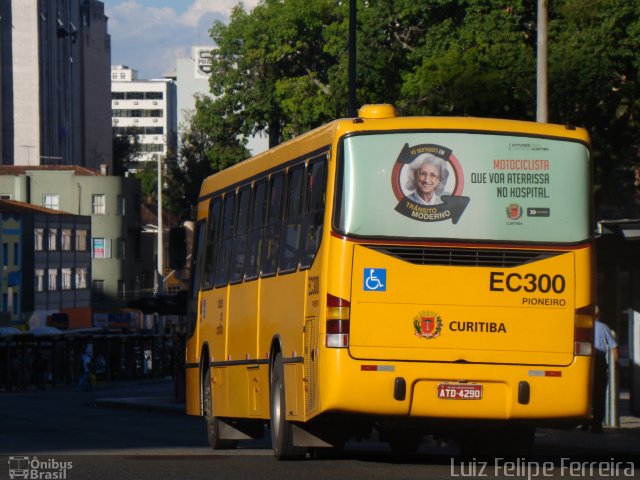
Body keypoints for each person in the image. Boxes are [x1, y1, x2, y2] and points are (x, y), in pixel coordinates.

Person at [589, 306, 618, 433]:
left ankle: (585, 421)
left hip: (585, 362)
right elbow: (614, 346)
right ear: (598, 314)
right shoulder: (603, 327)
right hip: (599, 363)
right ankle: (596, 424)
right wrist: (616, 363)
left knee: (586, 393)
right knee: (599, 394)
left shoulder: (581, 325)